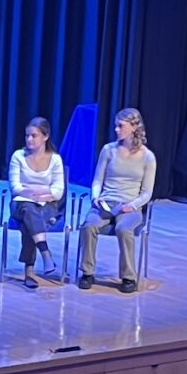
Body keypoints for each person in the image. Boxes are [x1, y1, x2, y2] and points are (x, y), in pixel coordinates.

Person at [78, 108, 156, 294]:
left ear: (134, 127)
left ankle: (128, 276)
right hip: (106, 202)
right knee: (89, 226)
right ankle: (87, 272)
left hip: (129, 205)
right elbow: (97, 180)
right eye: (116, 125)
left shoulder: (147, 157)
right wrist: (95, 196)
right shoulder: (109, 150)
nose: (116, 129)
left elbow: (147, 192)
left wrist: (133, 205)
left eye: (120, 126)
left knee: (123, 229)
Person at [8, 117, 65, 289]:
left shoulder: (55, 159)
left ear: (45, 137)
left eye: (34, 136)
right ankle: (45, 253)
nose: (29, 139)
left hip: (47, 204)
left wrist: (45, 195)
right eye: (27, 136)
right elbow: (15, 187)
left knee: (29, 222)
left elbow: (58, 190)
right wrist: (31, 192)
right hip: (21, 203)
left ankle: (29, 272)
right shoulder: (18, 156)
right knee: (28, 209)